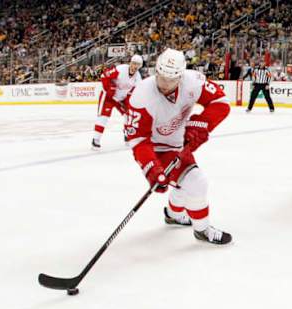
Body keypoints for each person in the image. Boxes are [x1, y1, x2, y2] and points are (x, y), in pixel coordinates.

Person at [125, 48, 232, 244]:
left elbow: (221, 102)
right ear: (156, 71)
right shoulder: (140, 95)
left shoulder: (194, 81)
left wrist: (201, 124)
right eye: (161, 78)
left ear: (181, 76)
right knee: (197, 183)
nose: (164, 85)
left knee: (187, 184)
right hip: (155, 149)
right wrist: (151, 167)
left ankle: (173, 215)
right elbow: (138, 139)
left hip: (178, 144)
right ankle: (202, 229)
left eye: (171, 80)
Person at [92, 55, 143, 149]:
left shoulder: (138, 78)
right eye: (134, 63)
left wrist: (128, 101)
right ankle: (96, 139)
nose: (135, 66)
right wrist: (109, 89)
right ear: (130, 63)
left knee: (129, 115)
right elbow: (104, 76)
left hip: (121, 99)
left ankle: (127, 135)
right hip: (108, 97)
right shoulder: (120, 69)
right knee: (103, 117)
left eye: (138, 65)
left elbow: (134, 92)